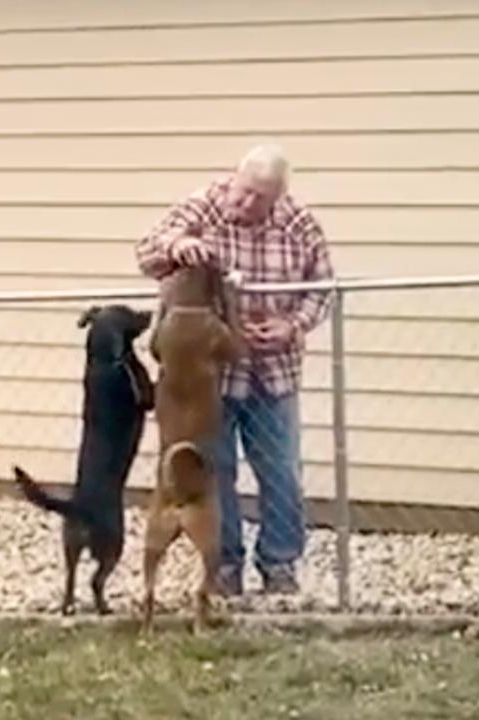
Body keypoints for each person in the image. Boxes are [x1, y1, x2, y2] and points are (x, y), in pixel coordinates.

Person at [135, 144, 334, 595]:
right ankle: (223, 566)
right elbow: (146, 253)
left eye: (258, 199)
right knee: (215, 470)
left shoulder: (299, 226)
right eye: (243, 192)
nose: (245, 205)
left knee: (279, 471)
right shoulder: (202, 206)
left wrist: (293, 326)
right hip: (211, 379)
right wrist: (177, 245)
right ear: (235, 178)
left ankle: (279, 565)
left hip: (273, 373)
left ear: (277, 198)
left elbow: (323, 291)